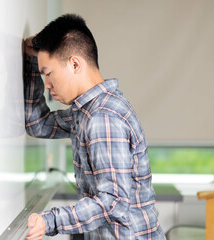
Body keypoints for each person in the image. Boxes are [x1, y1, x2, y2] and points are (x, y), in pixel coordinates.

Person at [23, 14, 165, 240]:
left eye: (48, 74)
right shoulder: (87, 112)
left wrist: (49, 220)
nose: (47, 85)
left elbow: (113, 202)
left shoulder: (102, 117)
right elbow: (37, 124)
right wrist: (31, 59)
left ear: (75, 64)